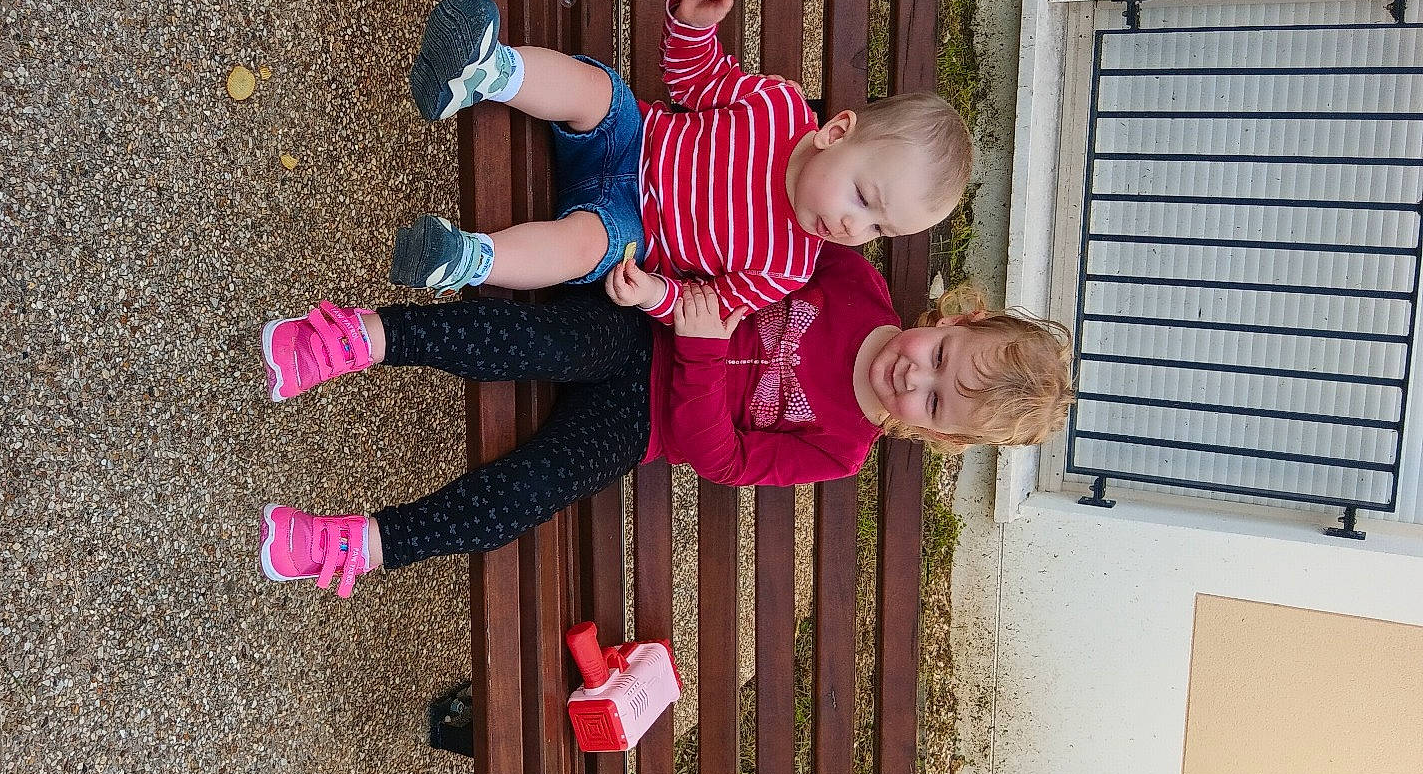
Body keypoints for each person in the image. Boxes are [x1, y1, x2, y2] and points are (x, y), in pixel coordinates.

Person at [256, 246, 1074, 597]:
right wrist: (680, 301)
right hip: (635, 322)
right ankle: (358, 338)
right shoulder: (854, 280)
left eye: (934, 401)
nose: (915, 375)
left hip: (641, 423)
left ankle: (359, 545)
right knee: (532, 339)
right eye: (941, 356)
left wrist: (706, 355)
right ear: (956, 320)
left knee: (529, 493)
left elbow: (719, 458)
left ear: (939, 436)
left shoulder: (842, 448)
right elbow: (756, 243)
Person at [388, 0, 973, 323]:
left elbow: (710, 305)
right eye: (863, 199)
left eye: (878, 231)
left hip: (631, 227)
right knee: (598, 91)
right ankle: (486, 72)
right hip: (635, 136)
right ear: (836, 133)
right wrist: (695, 24)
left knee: (585, 249)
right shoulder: (777, 107)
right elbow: (694, 83)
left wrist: (654, 295)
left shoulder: (788, 266)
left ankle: (466, 260)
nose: (853, 228)